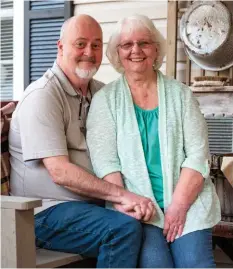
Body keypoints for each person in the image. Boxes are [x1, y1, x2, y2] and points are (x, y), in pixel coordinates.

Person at [9, 14, 156, 268]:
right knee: (122, 230)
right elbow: (60, 172)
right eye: (80, 44)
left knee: (152, 221)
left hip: (91, 206)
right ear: (61, 47)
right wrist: (122, 196)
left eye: (96, 45)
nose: (89, 52)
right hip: (41, 213)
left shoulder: (101, 92)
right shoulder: (43, 95)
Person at [86, 14, 221, 268]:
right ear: (117, 52)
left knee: (195, 264)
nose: (136, 50)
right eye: (127, 45)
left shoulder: (181, 95)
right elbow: (107, 165)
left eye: (144, 43)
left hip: (188, 203)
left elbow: (198, 155)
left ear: (156, 48)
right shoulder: (105, 100)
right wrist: (129, 203)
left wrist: (178, 207)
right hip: (138, 210)